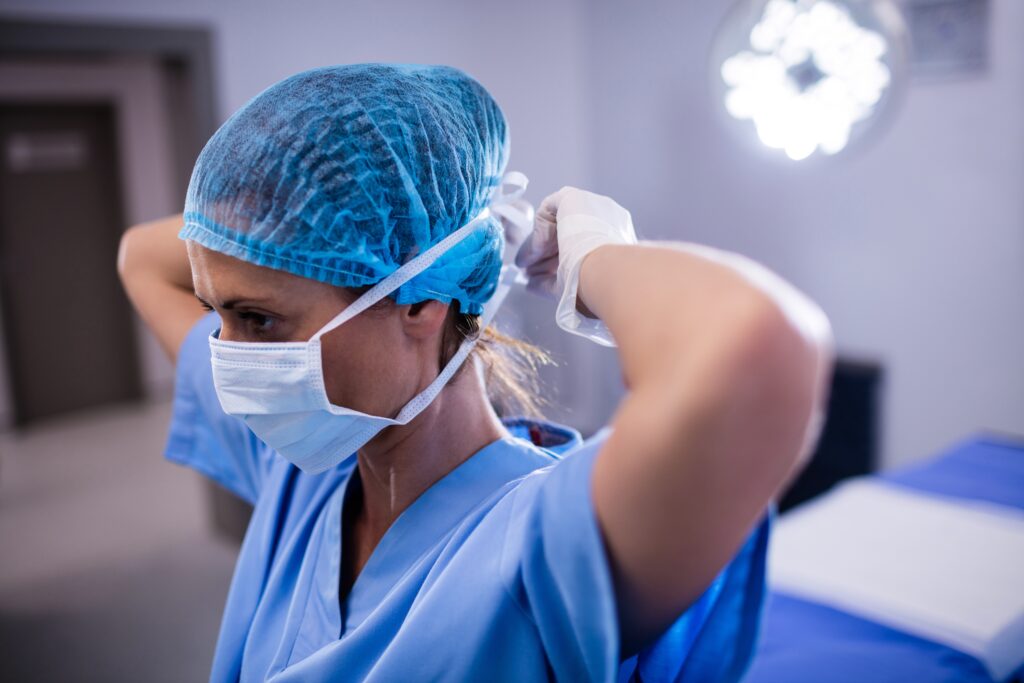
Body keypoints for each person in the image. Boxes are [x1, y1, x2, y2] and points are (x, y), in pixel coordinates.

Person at [117, 63, 833, 682]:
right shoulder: (299, 477)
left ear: (421, 300)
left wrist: (595, 263)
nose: (228, 351)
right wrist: (307, 234)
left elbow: (757, 348)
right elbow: (141, 257)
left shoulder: (540, 546)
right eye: (218, 311)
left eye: (258, 319)